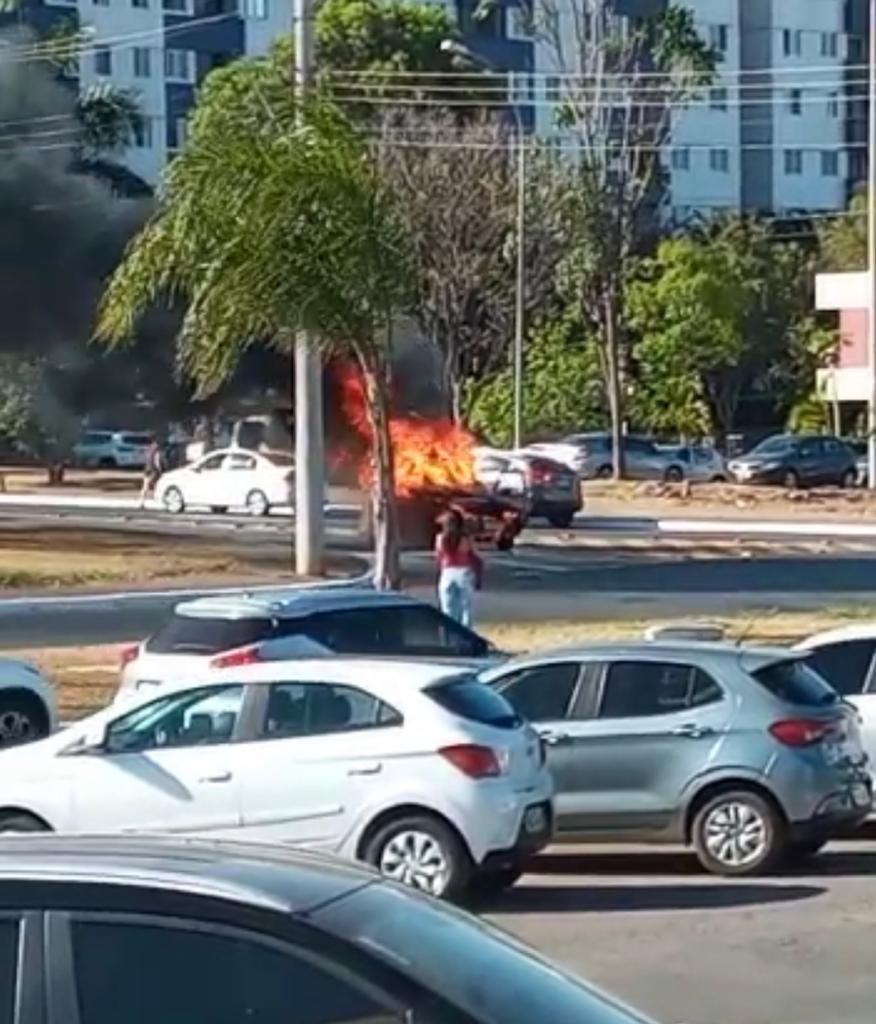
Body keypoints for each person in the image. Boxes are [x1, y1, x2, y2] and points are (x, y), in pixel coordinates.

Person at [435, 508, 482, 628]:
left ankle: (450, 636)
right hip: (464, 572)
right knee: (466, 608)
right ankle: (466, 636)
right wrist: (478, 577)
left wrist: (439, 574)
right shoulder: (465, 538)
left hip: (447, 573)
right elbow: (475, 557)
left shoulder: (440, 538)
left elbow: (439, 558)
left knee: (448, 609)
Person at [139, 437, 164, 508]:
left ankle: (141, 502)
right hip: (154, 469)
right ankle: (156, 498)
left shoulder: (149, 449)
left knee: (145, 486)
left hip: (147, 469)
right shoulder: (157, 450)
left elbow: (146, 458)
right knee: (157, 484)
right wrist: (160, 469)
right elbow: (157, 460)